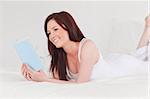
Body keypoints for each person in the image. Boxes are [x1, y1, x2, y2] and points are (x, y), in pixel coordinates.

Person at [21, 11, 149, 83]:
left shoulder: (87, 46)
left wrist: (45, 80)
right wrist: (36, 75)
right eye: (48, 33)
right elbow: (58, 82)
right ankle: (148, 27)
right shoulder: (60, 57)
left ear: (68, 27)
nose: (52, 35)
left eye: (55, 29)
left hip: (123, 66)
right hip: (111, 61)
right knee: (138, 56)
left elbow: (81, 84)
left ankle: (148, 27)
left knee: (141, 62)